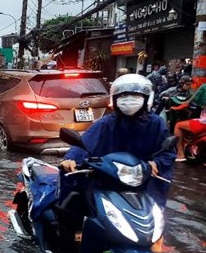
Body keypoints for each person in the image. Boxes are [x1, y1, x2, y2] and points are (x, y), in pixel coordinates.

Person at [61, 73, 175, 207]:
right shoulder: (106, 123)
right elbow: (85, 143)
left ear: (146, 98)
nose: (129, 100)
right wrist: (71, 159)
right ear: (114, 99)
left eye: (136, 95)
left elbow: (167, 152)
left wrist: (156, 163)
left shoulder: (156, 123)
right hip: (110, 181)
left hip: (143, 183)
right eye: (123, 95)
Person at [171, 84, 206, 161]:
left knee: (178, 125)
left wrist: (176, 108)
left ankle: (180, 155)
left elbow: (188, 102)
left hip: (204, 123)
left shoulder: (204, 87)